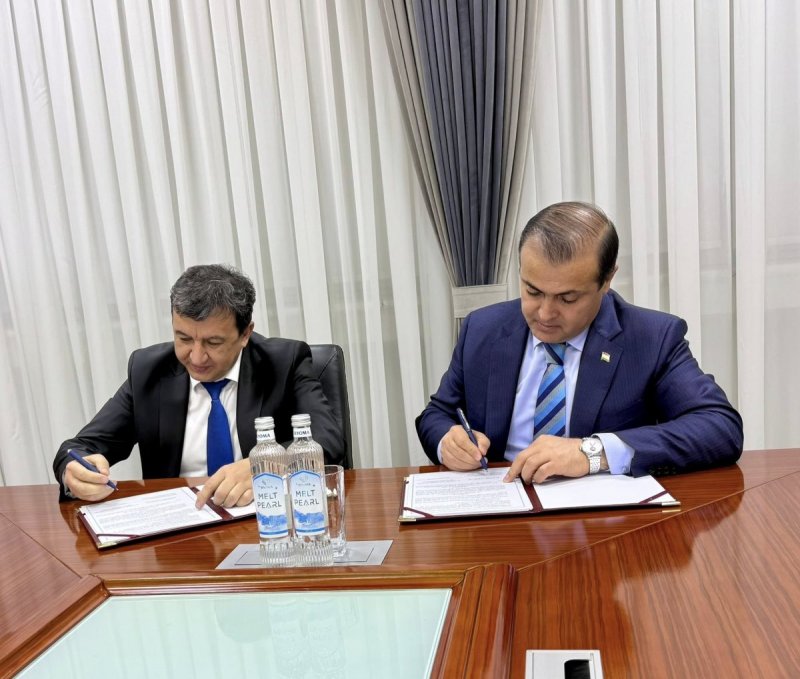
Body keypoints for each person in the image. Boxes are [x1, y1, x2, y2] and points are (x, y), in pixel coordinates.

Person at [416, 201, 743, 484]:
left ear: (607, 280)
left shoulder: (652, 338)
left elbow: (719, 427)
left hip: (607, 522)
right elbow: (438, 414)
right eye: (532, 291)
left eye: (567, 298)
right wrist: (448, 443)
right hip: (502, 505)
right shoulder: (483, 329)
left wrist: (592, 452)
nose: (545, 313)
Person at [54, 264, 344, 506]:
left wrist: (265, 466)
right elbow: (78, 447)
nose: (195, 357)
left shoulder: (284, 362)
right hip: (179, 532)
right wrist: (73, 472)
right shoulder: (148, 371)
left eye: (213, 342)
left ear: (245, 334)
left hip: (267, 522)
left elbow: (328, 439)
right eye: (183, 339)